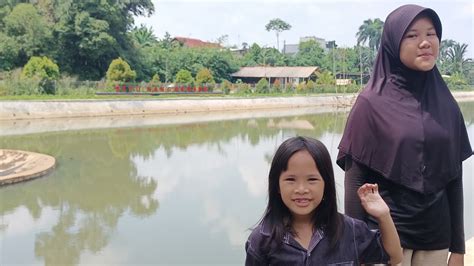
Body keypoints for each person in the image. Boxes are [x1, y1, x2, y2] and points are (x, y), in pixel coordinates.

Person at [337, 4, 473, 266]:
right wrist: (356, 249)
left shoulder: (446, 104)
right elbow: (355, 183)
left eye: (431, 34)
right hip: (384, 238)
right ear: (392, 43)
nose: (425, 43)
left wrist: (458, 248)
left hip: (436, 237)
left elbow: (454, 178)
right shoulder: (370, 103)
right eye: (412, 36)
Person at [245, 136, 402, 265]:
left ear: (326, 184)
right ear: (277, 185)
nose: (301, 189)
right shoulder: (261, 241)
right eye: (290, 179)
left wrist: (383, 215)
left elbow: (394, 257)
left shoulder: (350, 230)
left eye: (312, 179)